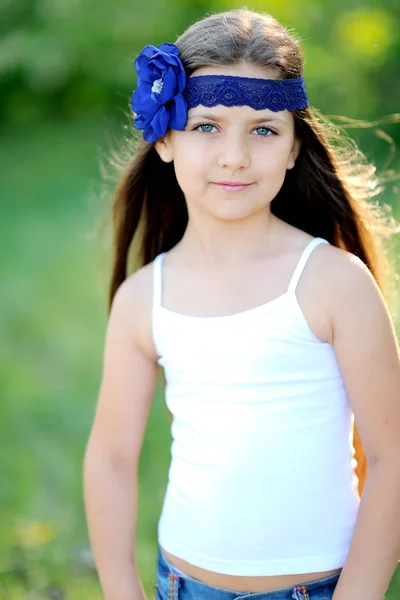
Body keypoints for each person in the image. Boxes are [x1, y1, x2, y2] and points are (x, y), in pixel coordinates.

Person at [83, 8, 400, 600]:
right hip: (182, 585)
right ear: (166, 138)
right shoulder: (143, 299)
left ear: (292, 148)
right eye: (206, 126)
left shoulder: (333, 283)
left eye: (263, 129)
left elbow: (393, 456)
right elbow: (110, 458)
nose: (234, 155)